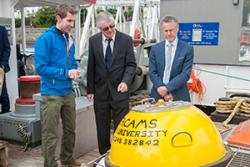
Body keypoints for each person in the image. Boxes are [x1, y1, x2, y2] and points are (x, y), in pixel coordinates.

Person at [34, 4, 81, 167]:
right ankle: (50, 164)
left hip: (68, 92)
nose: (71, 25)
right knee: (50, 134)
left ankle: (67, 159)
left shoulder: (69, 38)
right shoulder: (45, 39)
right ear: (58, 18)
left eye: (73, 21)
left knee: (70, 130)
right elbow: (41, 68)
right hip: (51, 93)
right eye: (69, 20)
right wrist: (65, 73)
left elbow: (72, 60)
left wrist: (74, 69)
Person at [87, 12, 136, 155]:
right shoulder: (93, 40)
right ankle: (104, 154)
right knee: (102, 126)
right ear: (99, 29)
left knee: (121, 126)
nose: (110, 30)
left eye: (112, 26)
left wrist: (126, 81)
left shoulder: (126, 40)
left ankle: (121, 154)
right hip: (100, 91)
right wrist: (90, 89)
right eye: (105, 28)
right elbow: (92, 65)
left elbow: (131, 65)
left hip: (120, 90)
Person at [149, 16, 194, 102]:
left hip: (179, 95)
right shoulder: (155, 49)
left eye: (171, 30)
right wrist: (162, 90)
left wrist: (167, 88)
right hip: (158, 94)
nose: (169, 33)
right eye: (166, 31)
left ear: (177, 29)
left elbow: (185, 74)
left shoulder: (187, 49)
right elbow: (152, 72)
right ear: (163, 31)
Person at [0, 25, 11, 113]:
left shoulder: (2, 29)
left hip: (0, 70)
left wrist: (3, 64)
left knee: (3, 95)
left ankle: (5, 119)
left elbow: (7, 48)